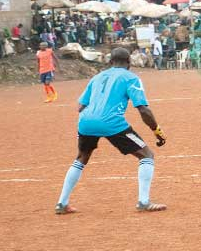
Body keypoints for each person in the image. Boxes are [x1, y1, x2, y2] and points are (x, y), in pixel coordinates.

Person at [54, 48, 167, 215]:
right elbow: (143, 110)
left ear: (110, 62)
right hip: (111, 122)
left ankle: (62, 203)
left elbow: (80, 106)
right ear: (129, 62)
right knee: (146, 155)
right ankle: (144, 201)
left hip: (85, 122)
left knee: (82, 157)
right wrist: (156, 130)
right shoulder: (131, 78)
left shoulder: (97, 77)